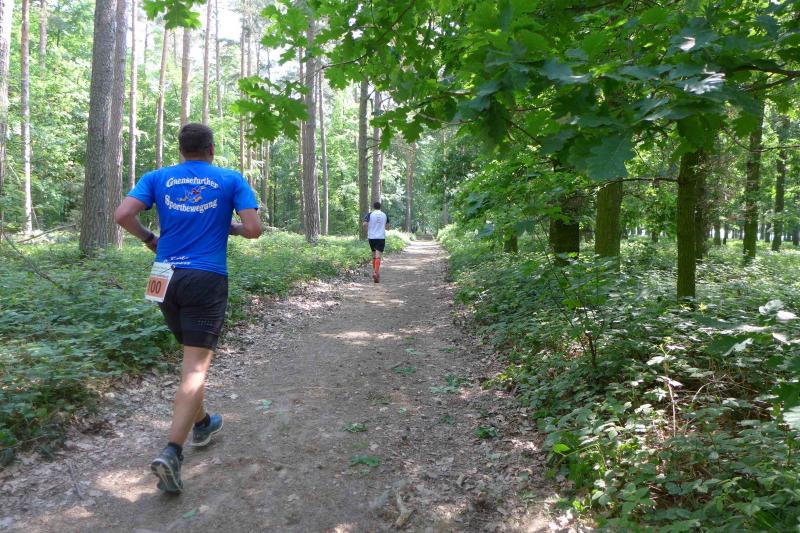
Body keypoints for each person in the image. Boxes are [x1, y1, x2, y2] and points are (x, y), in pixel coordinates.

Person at [114, 123, 262, 494]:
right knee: (194, 369)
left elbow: (122, 214)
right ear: (211, 149)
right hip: (205, 277)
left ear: (181, 150)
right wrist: (229, 227)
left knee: (189, 361)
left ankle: (203, 423)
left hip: (163, 277)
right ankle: (172, 452)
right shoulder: (229, 179)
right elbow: (254, 228)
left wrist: (149, 238)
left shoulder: (157, 178)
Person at [362, 201, 390, 283]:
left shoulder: (369, 214)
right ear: (380, 207)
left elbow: (364, 224)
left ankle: (375, 272)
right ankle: (376, 272)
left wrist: (368, 229)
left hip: (371, 237)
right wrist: (383, 226)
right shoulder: (384, 215)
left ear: (373, 207)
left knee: (374, 255)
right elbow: (388, 227)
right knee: (378, 256)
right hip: (380, 237)